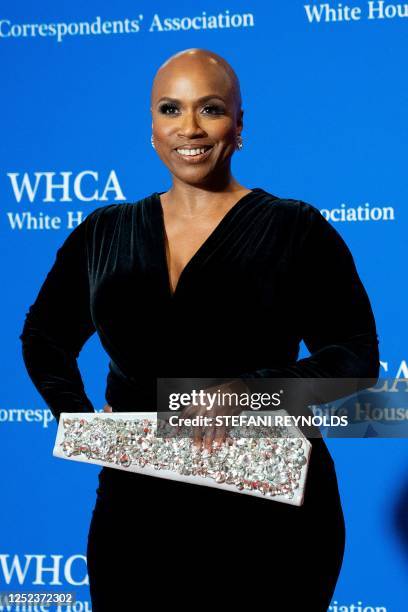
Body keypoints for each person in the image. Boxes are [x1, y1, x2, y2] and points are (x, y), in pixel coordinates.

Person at [20, 48, 380, 611]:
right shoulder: (105, 231)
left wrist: (249, 392)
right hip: (136, 512)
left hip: (269, 510)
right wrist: (79, 419)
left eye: (209, 109)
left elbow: (357, 357)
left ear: (239, 123)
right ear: (152, 126)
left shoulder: (295, 228)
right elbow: (44, 337)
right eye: (170, 109)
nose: (189, 128)